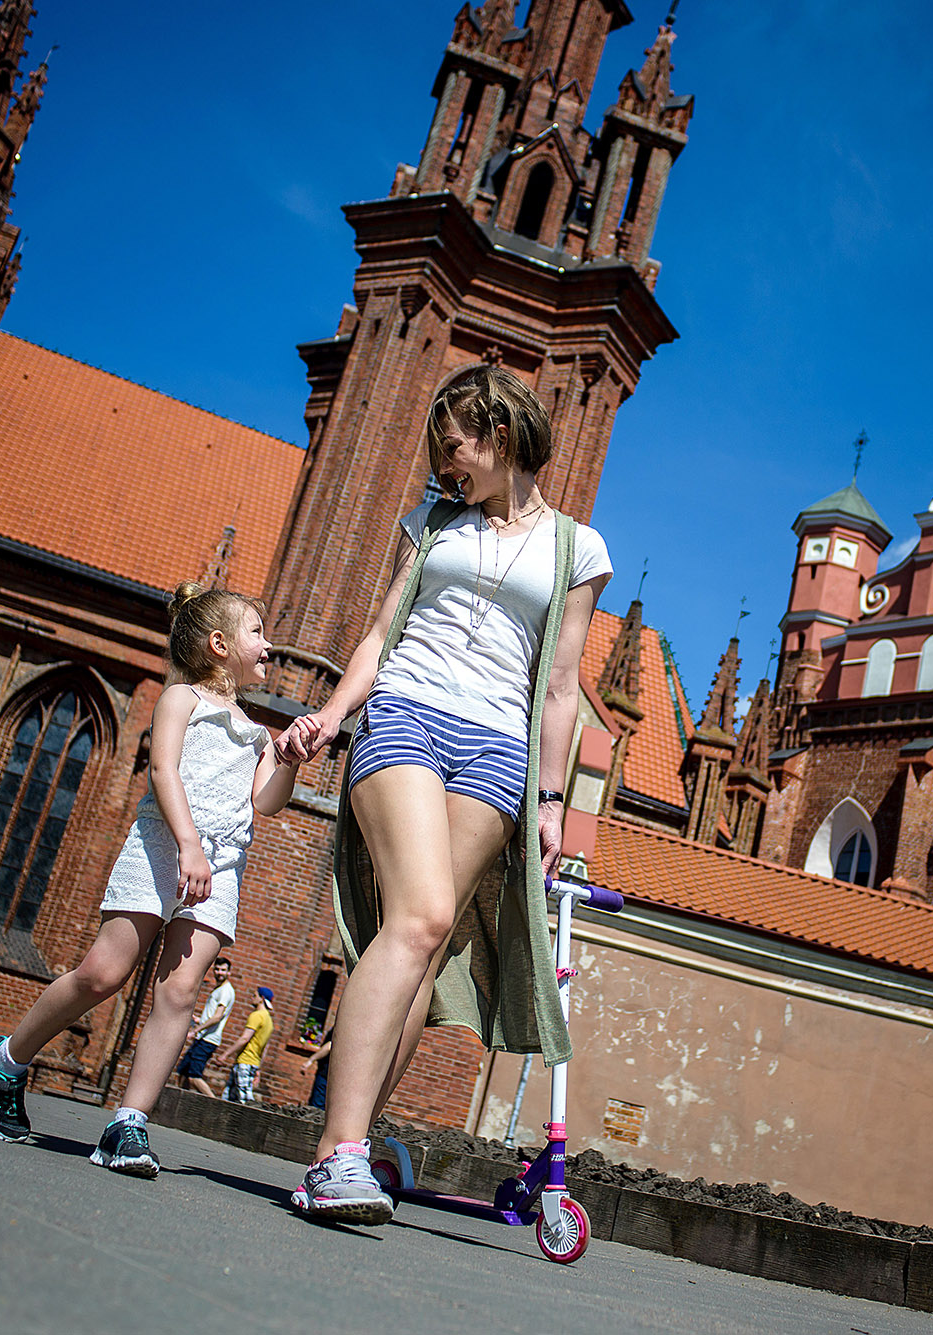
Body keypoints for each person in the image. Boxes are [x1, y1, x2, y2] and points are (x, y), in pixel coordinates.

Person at [281, 364, 611, 1223]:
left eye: (454, 445)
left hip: (500, 748)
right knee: (421, 915)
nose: (445, 464)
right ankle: (336, 1154)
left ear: (499, 431)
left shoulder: (579, 548)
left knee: (422, 949)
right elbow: (381, 633)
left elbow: (566, 683)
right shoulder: (433, 522)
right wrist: (332, 710)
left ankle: (350, 1140)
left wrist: (550, 801)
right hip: (408, 716)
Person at [0, 584, 298, 1177]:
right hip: (163, 848)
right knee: (103, 974)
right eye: (257, 632)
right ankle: (6, 1057)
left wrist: (289, 758)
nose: (268, 644)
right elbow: (163, 768)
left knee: (178, 994)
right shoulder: (180, 698)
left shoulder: (254, 730)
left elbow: (266, 803)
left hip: (223, 865)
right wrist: (188, 846)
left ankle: (129, 1124)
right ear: (219, 646)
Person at [175, 956, 235, 1095]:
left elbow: (217, 1017)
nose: (220, 973)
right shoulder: (219, 989)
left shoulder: (225, 991)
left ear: (229, 973)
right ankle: (181, 1105)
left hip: (208, 1040)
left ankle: (214, 1103)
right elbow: (211, 1016)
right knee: (183, 1071)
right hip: (202, 1037)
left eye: (223, 970)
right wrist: (199, 1021)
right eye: (217, 969)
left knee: (194, 1076)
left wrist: (196, 1030)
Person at [210, 985, 275, 1104]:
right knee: (228, 1096)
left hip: (246, 1062)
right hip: (252, 1063)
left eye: (254, 995)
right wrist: (258, 1069)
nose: (252, 998)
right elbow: (265, 1048)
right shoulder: (269, 1021)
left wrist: (225, 1054)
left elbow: (244, 1038)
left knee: (244, 1099)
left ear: (261, 998)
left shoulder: (257, 1016)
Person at [300, 1026, 332, 1110]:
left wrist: (310, 1061)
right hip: (337, 1078)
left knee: (316, 1109)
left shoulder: (342, 1026)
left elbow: (330, 1046)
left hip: (326, 1075)